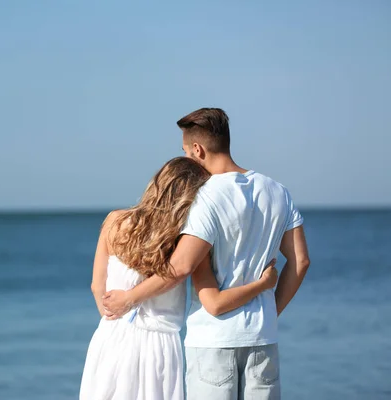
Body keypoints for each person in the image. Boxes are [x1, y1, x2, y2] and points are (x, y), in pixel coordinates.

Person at [103, 108, 310, 400]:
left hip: (214, 341)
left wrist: (129, 299)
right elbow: (300, 261)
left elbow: (182, 266)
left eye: (186, 152)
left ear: (197, 150)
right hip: (264, 339)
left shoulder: (205, 196)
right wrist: (270, 313)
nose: (187, 158)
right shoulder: (278, 191)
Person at [80, 157, 278, 400]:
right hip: (158, 347)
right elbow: (180, 273)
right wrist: (263, 283)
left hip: (109, 337)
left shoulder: (114, 221)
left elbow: (96, 285)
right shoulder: (182, 241)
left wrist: (113, 315)